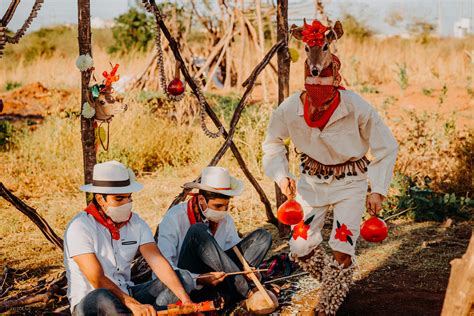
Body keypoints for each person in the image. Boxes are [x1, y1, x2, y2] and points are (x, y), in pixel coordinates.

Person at [262, 19, 398, 315]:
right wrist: (281, 176)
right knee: (299, 245)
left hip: (351, 183)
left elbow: (386, 146)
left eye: (324, 98)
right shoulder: (289, 109)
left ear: (337, 80)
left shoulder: (357, 107)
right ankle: (336, 280)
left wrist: (379, 190)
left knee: (342, 243)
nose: (318, 105)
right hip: (310, 183)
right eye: (313, 97)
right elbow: (272, 143)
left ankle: (327, 305)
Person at [63, 160, 192, 315]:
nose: (127, 203)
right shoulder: (80, 227)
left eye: (129, 197)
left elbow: (158, 262)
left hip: (127, 294)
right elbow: (97, 279)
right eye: (119, 199)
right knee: (103, 297)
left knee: (183, 278)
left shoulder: (136, 223)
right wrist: (134, 305)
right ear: (100, 199)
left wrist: (185, 299)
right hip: (93, 303)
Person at [157, 166, 272, 307]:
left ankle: (229, 292)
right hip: (189, 282)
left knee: (262, 237)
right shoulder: (174, 218)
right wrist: (199, 279)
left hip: (221, 278)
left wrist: (248, 270)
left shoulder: (226, 219)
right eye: (217, 206)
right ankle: (246, 292)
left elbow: (233, 254)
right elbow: (163, 268)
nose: (223, 212)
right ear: (201, 200)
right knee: (197, 231)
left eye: (226, 206)